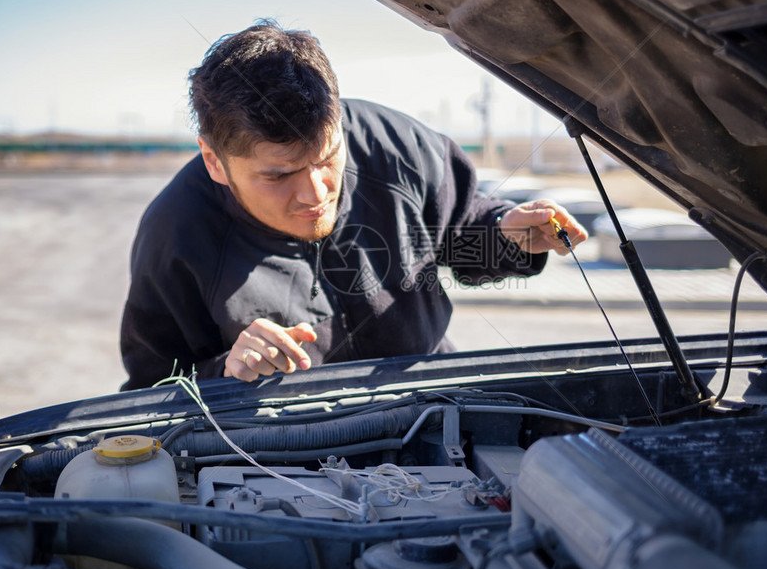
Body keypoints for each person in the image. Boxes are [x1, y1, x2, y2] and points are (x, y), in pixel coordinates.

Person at [119, 20, 587, 390]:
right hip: (282, 458)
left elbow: (460, 236)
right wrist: (226, 373)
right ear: (214, 161)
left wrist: (507, 235)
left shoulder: (400, 147)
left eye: (327, 158)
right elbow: (151, 391)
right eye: (279, 175)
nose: (316, 192)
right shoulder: (175, 235)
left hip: (429, 403)